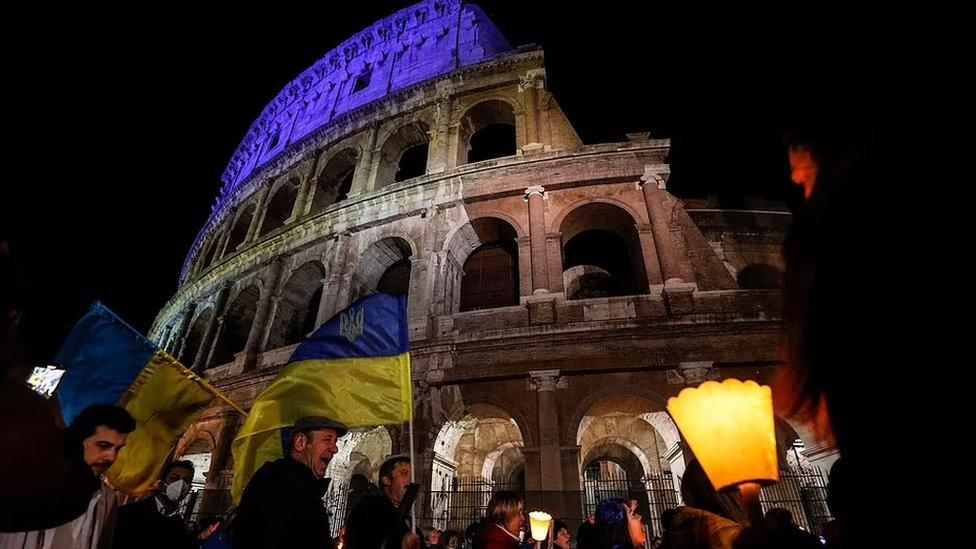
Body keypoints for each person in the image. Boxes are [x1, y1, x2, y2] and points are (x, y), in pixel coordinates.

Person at [0, 403, 135, 548]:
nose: (112, 457)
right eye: (103, 446)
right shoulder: (29, 482)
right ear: (79, 439)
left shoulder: (106, 499)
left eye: (118, 449)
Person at [233, 415, 346, 549]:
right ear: (300, 442)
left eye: (335, 441)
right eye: (328, 439)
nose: (335, 449)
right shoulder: (279, 484)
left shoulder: (302, 487)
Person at [113, 459, 197, 549]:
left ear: (189, 488)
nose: (180, 485)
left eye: (186, 481)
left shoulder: (178, 525)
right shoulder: (129, 513)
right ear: (160, 484)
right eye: (174, 478)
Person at [344, 454, 421, 549]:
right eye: (404, 473)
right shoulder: (368, 512)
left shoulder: (408, 521)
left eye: (412, 475)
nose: (411, 480)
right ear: (386, 480)